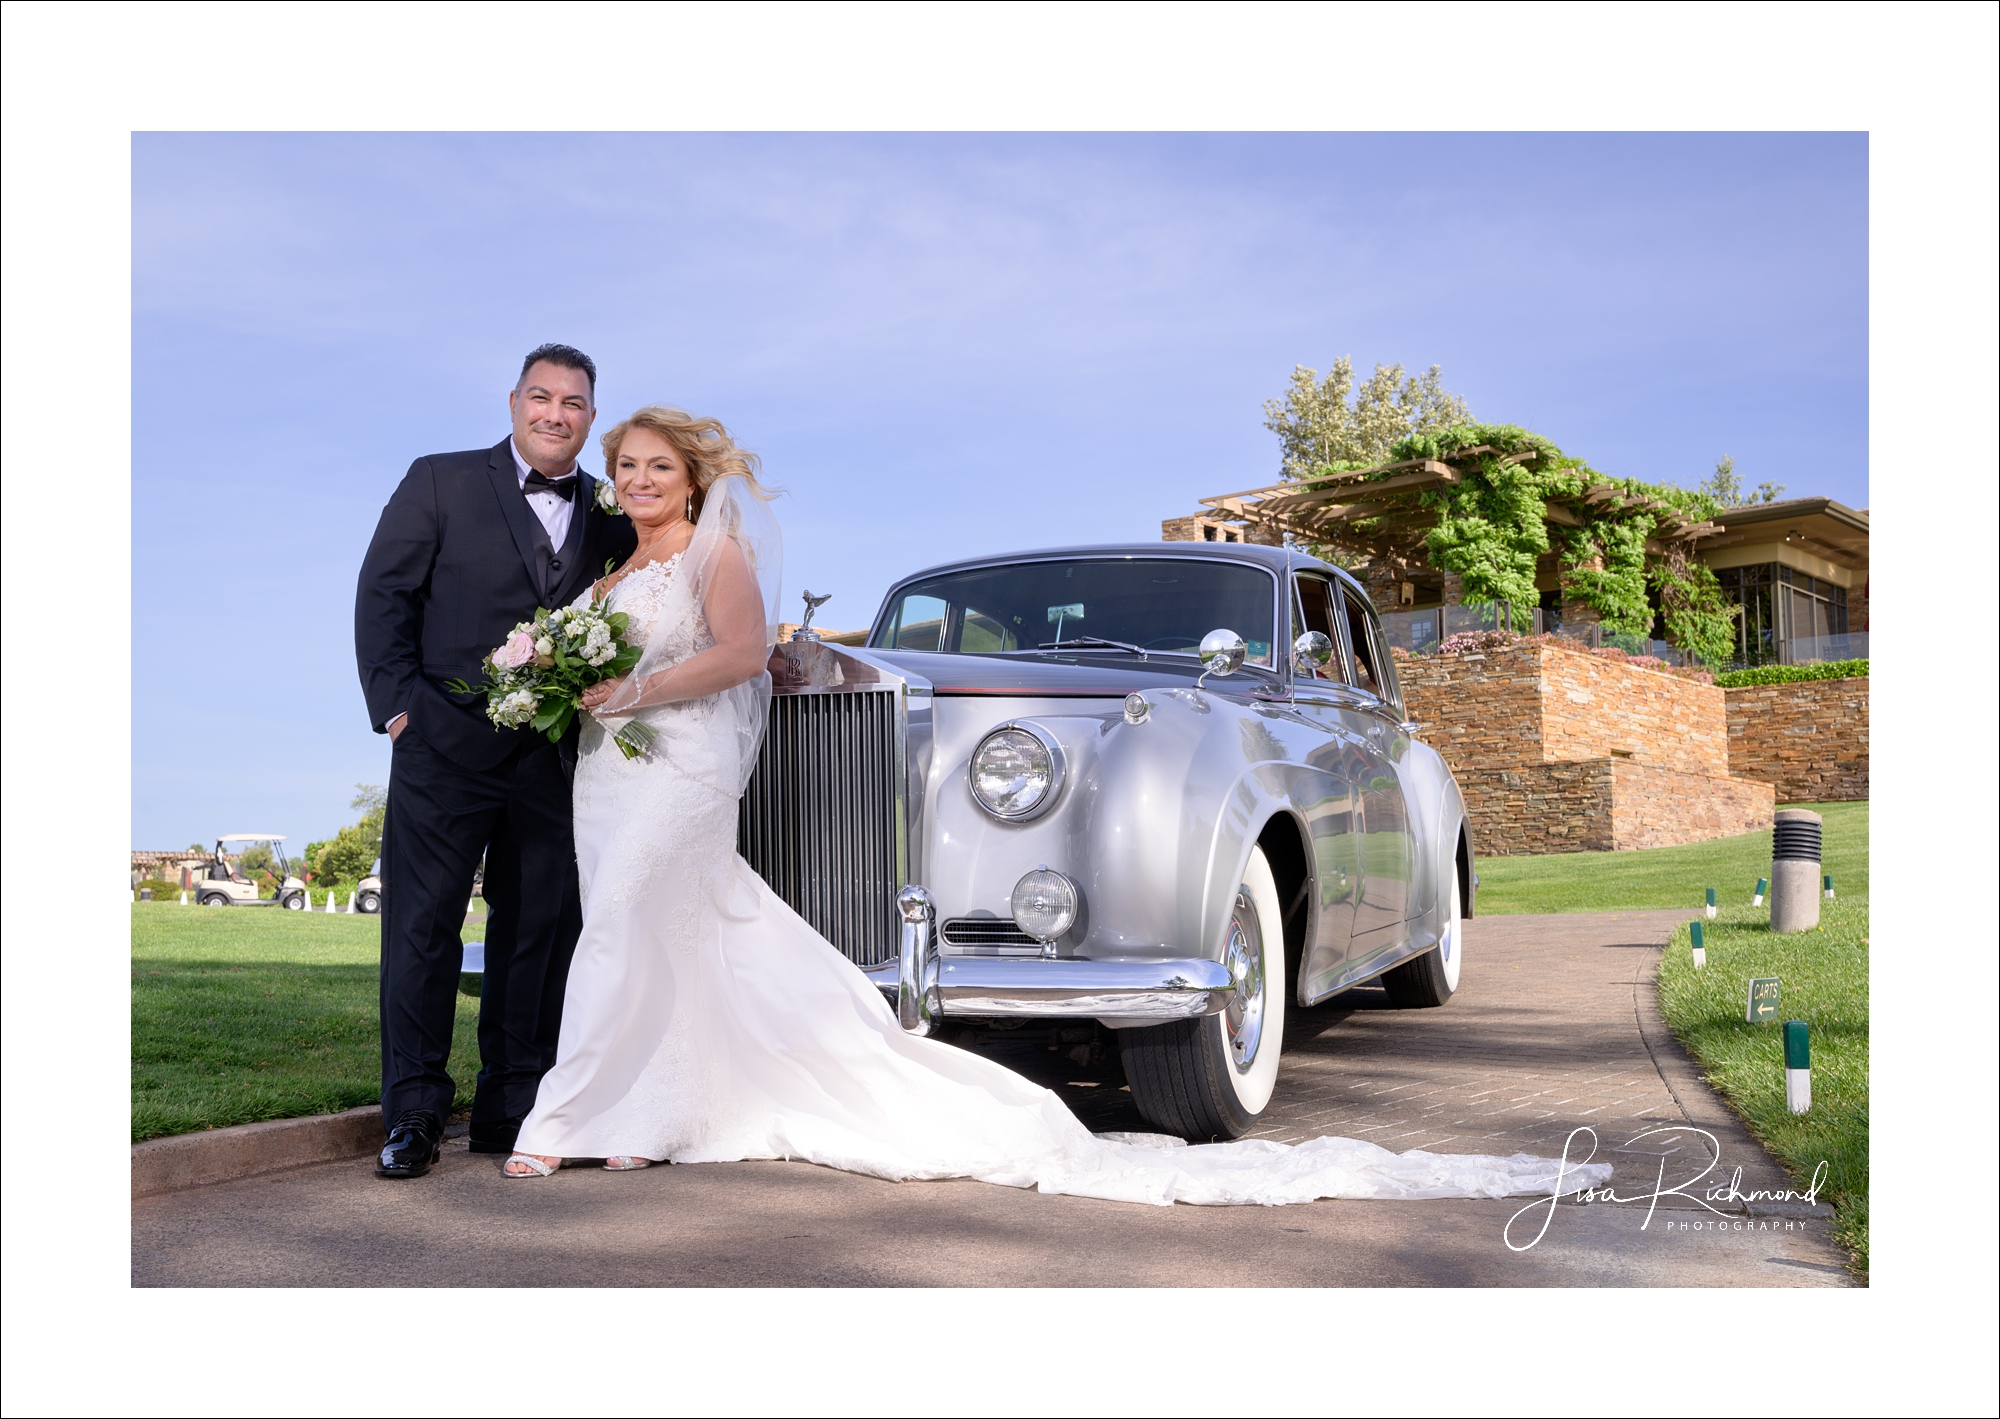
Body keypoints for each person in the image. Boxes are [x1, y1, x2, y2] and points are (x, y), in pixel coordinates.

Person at [500, 406, 1611, 1208]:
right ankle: (637, 1109)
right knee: (647, 934)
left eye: (656, 463)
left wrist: (636, 686)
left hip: (667, 755)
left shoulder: (1223, 696)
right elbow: (745, 661)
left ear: (688, 475)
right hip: (645, 772)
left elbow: (724, 645)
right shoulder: (625, 569)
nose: (639, 478)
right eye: (626, 466)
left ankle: (583, 1119)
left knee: (628, 933)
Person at [355, 344, 637, 1178]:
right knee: (421, 926)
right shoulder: (438, 479)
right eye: (542, 397)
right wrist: (400, 709)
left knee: (538, 932)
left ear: (592, 417)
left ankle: (512, 1105)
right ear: (514, 401)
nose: (556, 413)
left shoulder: (612, 510)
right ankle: (412, 1111)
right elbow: (383, 595)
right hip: (441, 743)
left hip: (555, 754)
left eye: (574, 403)